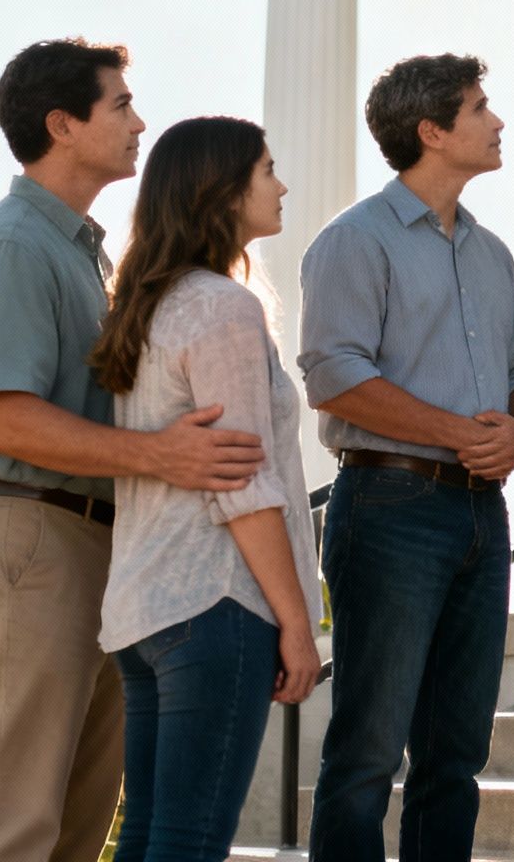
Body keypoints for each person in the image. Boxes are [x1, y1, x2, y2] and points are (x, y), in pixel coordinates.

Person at [0, 38, 267, 862]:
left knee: (79, 830)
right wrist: (162, 454)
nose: (139, 122)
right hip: (34, 541)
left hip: (104, 547)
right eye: (119, 104)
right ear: (62, 124)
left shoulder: (84, 253)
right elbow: (6, 422)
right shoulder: (13, 246)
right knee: (10, 823)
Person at [301, 54, 514, 861]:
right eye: (481, 108)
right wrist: (458, 433)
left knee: (457, 755)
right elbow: (334, 378)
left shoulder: (492, 252)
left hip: (483, 509)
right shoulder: (353, 241)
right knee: (368, 750)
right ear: (432, 131)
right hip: (388, 509)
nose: (498, 121)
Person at [90, 117, 324, 862]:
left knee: (153, 833)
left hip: (144, 612)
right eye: (267, 170)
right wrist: (298, 621)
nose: (281, 185)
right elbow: (243, 482)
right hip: (216, 604)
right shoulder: (224, 308)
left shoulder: (147, 304)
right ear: (222, 192)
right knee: (190, 842)